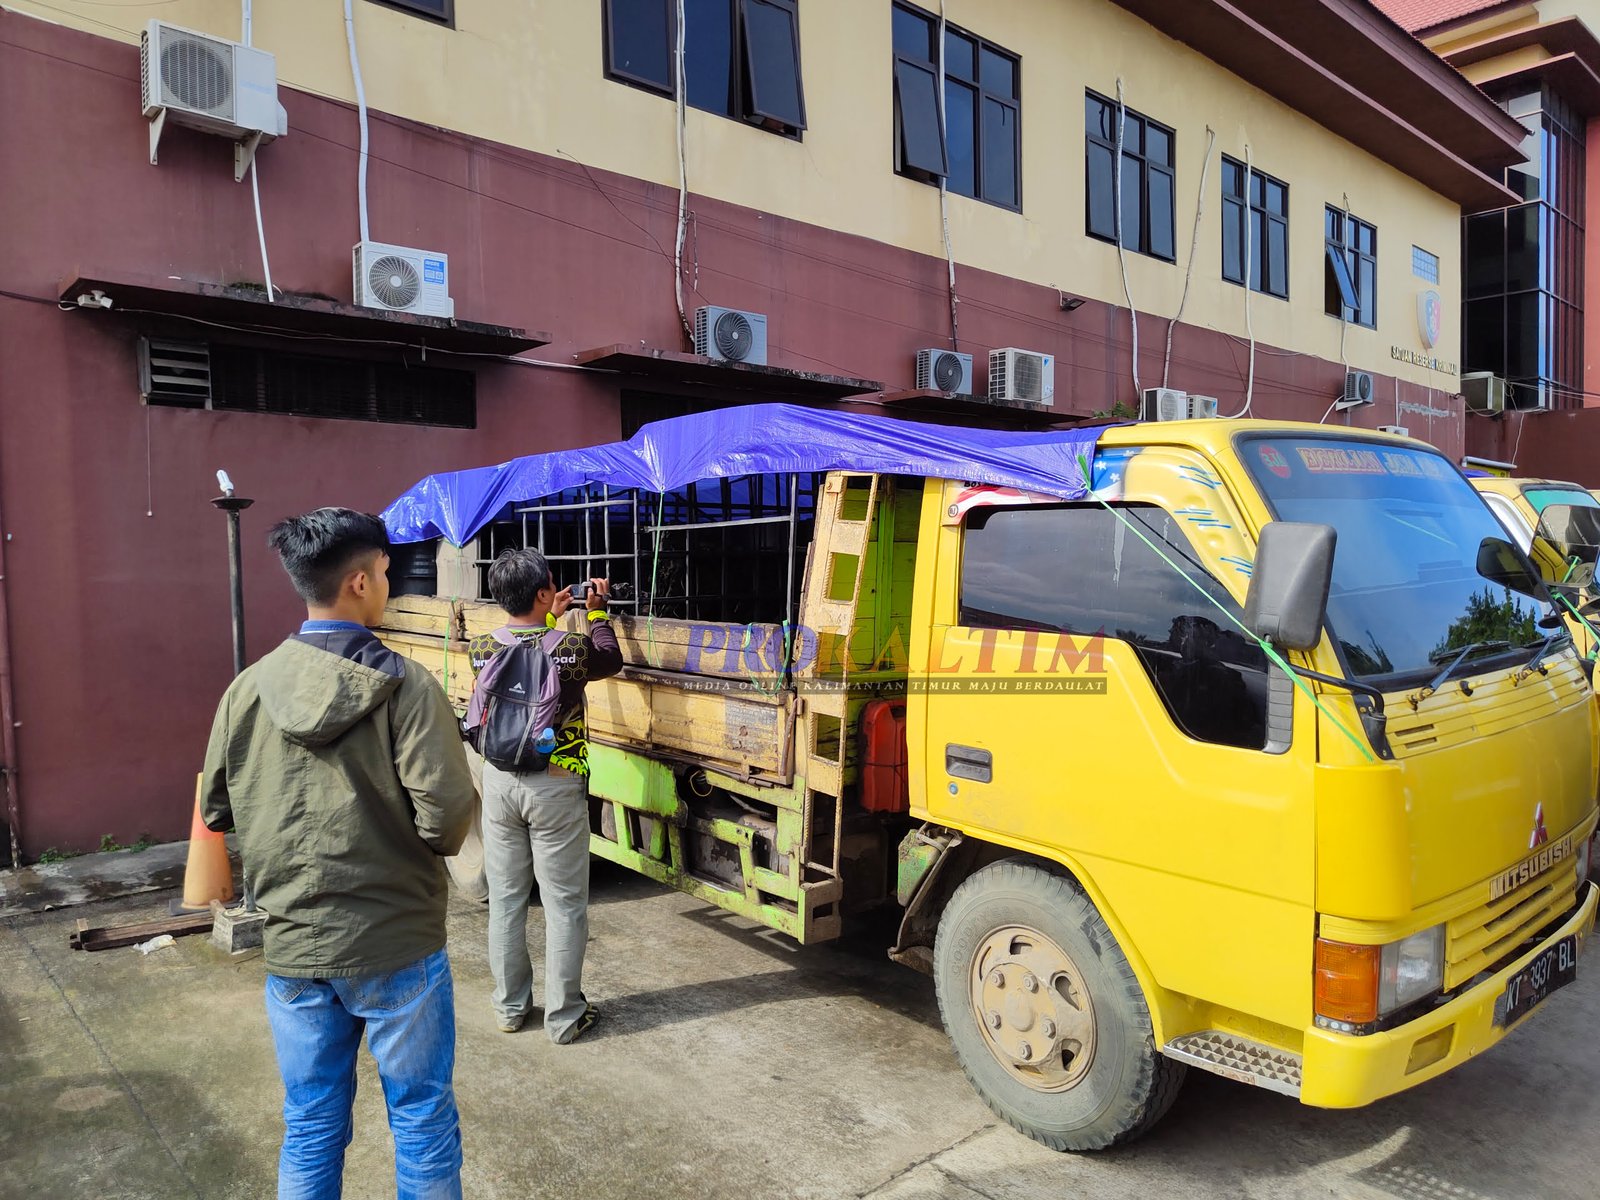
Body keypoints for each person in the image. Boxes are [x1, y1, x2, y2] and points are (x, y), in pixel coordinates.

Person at [201, 508, 476, 1200]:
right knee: (421, 1120)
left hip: (294, 946)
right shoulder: (408, 688)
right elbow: (445, 825)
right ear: (358, 582)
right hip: (397, 945)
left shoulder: (247, 689)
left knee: (312, 1123)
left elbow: (217, 811)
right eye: (386, 572)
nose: (388, 584)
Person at [467, 548, 623, 1042]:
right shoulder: (570, 649)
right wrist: (595, 609)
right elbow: (609, 659)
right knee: (563, 903)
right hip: (556, 780)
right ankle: (564, 1016)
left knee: (507, 901)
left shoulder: (480, 647)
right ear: (541, 591)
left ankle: (511, 1008)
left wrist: (548, 612)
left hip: (499, 781)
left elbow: (523, 650)